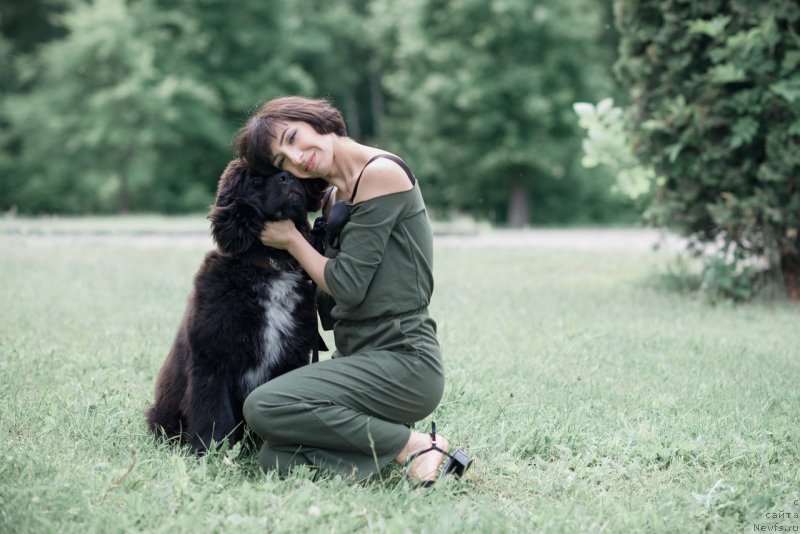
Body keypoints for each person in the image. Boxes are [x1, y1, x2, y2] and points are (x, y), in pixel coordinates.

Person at [237, 96, 472, 485]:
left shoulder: (380, 173)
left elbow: (346, 286)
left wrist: (293, 241)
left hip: (403, 361)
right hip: (358, 359)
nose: (296, 158)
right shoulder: (333, 197)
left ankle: (415, 446)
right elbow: (330, 305)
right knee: (275, 458)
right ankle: (389, 451)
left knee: (263, 406)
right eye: (282, 161)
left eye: (294, 138)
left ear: (317, 120)